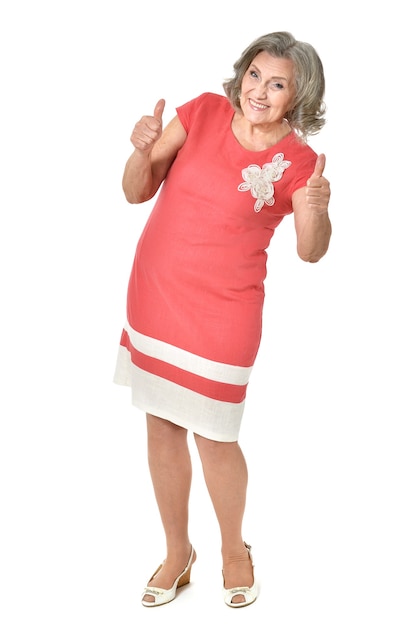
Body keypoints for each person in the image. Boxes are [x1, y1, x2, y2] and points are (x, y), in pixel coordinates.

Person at [114, 30, 332, 608]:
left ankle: (234, 549)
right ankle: (177, 551)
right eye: (255, 74)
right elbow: (136, 191)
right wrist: (141, 150)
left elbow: (311, 251)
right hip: (156, 297)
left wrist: (315, 209)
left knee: (215, 435)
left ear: (298, 97)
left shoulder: (299, 162)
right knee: (161, 425)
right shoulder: (203, 112)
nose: (259, 90)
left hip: (224, 313)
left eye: (277, 83)